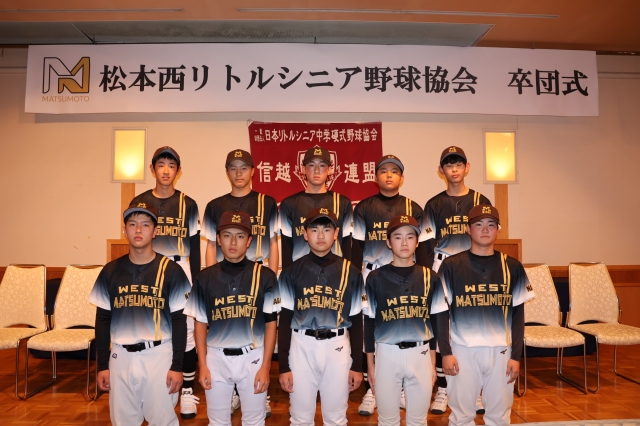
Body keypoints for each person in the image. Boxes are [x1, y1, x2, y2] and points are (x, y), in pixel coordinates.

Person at [431, 205, 535, 426]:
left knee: (499, 415)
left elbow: (518, 315)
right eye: (478, 224)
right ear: (468, 229)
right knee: (461, 416)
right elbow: (440, 313)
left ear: (498, 229)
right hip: (462, 350)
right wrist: (445, 352)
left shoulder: (513, 267)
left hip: (501, 351)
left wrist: (516, 356)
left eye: (491, 224)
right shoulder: (450, 266)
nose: (485, 229)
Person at [90, 202, 191, 426]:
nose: (138, 229)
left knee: (163, 421)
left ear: (155, 231)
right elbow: (102, 320)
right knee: (122, 421)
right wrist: (102, 365)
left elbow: (179, 322)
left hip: (159, 356)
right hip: (120, 356)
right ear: (124, 230)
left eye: (145, 224)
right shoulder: (110, 271)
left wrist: (177, 366)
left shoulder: (172, 271)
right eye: (132, 224)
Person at [202, 149, 279, 416]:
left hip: (257, 275)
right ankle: (231, 393)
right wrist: (212, 279)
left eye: (243, 168)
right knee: (227, 331)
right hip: (223, 275)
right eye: (233, 168)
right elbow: (210, 245)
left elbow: (273, 242)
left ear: (253, 171)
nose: (238, 173)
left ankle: (257, 390)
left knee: (258, 333)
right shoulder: (215, 205)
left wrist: (271, 277)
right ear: (227, 172)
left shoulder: (267, 202)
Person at [186, 211, 280, 426]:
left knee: (254, 421)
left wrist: (266, 366)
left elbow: (271, 324)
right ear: (218, 239)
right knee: (217, 421)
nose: (233, 242)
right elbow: (200, 324)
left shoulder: (265, 276)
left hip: (253, 356)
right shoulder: (204, 278)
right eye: (227, 235)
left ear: (249, 241)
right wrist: (203, 364)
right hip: (216, 357)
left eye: (240, 236)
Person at [352, 154, 429, 415]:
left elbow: (424, 247)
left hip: (407, 276)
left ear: (401, 178)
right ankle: (372, 389)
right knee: (371, 330)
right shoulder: (364, 207)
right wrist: (354, 279)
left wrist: (424, 277)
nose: (388, 175)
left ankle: (403, 388)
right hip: (373, 275)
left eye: (394, 171)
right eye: (383, 170)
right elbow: (356, 246)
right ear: (375, 177)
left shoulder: (413, 207)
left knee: (403, 327)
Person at [130, 146, 201, 418]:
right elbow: (135, 240)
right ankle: (148, 385)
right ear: (153, 169)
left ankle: (187, 391)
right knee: (149, 327)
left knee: (188, 329)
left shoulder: (188, 203)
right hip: (148, 267)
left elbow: (195, 246)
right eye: (161, 165)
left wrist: (196, 282)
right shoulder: (140, 200)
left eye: (171, 166)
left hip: (180, 266)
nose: (166, 170)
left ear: (178, 171)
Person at [277, 208, 365, 426]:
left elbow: (357, 321)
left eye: (327, 229)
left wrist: (357, 365)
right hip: (301, 345)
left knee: (336, 418)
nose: (321, 235)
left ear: (336, 234)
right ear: (305, 234)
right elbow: (285, 320)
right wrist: (283, 366)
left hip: (337, 346)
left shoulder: (351, 272)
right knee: (300, 418)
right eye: (314, 229)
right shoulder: (290, 272)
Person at [422, 146, 491, 415]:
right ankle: (443, 389)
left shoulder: (480, 200)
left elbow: (487, 237)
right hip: (443, 266)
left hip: (474, 266)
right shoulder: (433, 204)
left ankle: (475, 391)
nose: (454, 169)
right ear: (441, 170)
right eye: (449, 165)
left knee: (474, 326)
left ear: (467, 167)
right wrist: (429, 276)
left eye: (458, 164)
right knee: (443, 326)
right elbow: (425, 244)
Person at [364, 215, 439, 426]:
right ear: (388, 242)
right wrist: (370, 363)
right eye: (397, 237)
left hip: (421, 353)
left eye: (410, 237)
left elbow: (434, 321)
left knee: (418, 420)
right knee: (387, 420)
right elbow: (369, 321)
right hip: (387, 352)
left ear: (417, 242)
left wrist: (433, 362)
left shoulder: (430, 277)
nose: (404, 242)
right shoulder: (375, 278)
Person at [279, 147, 353, 268]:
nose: (317, 170)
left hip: (335, 270)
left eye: (322, 165)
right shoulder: (289, 204)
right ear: (303, 169)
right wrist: (287, 276)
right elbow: (286, 247)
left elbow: (346, 244)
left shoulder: (343, 202)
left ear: (330, 170)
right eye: (311, 165)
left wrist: (347, 273)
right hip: (300, 270)